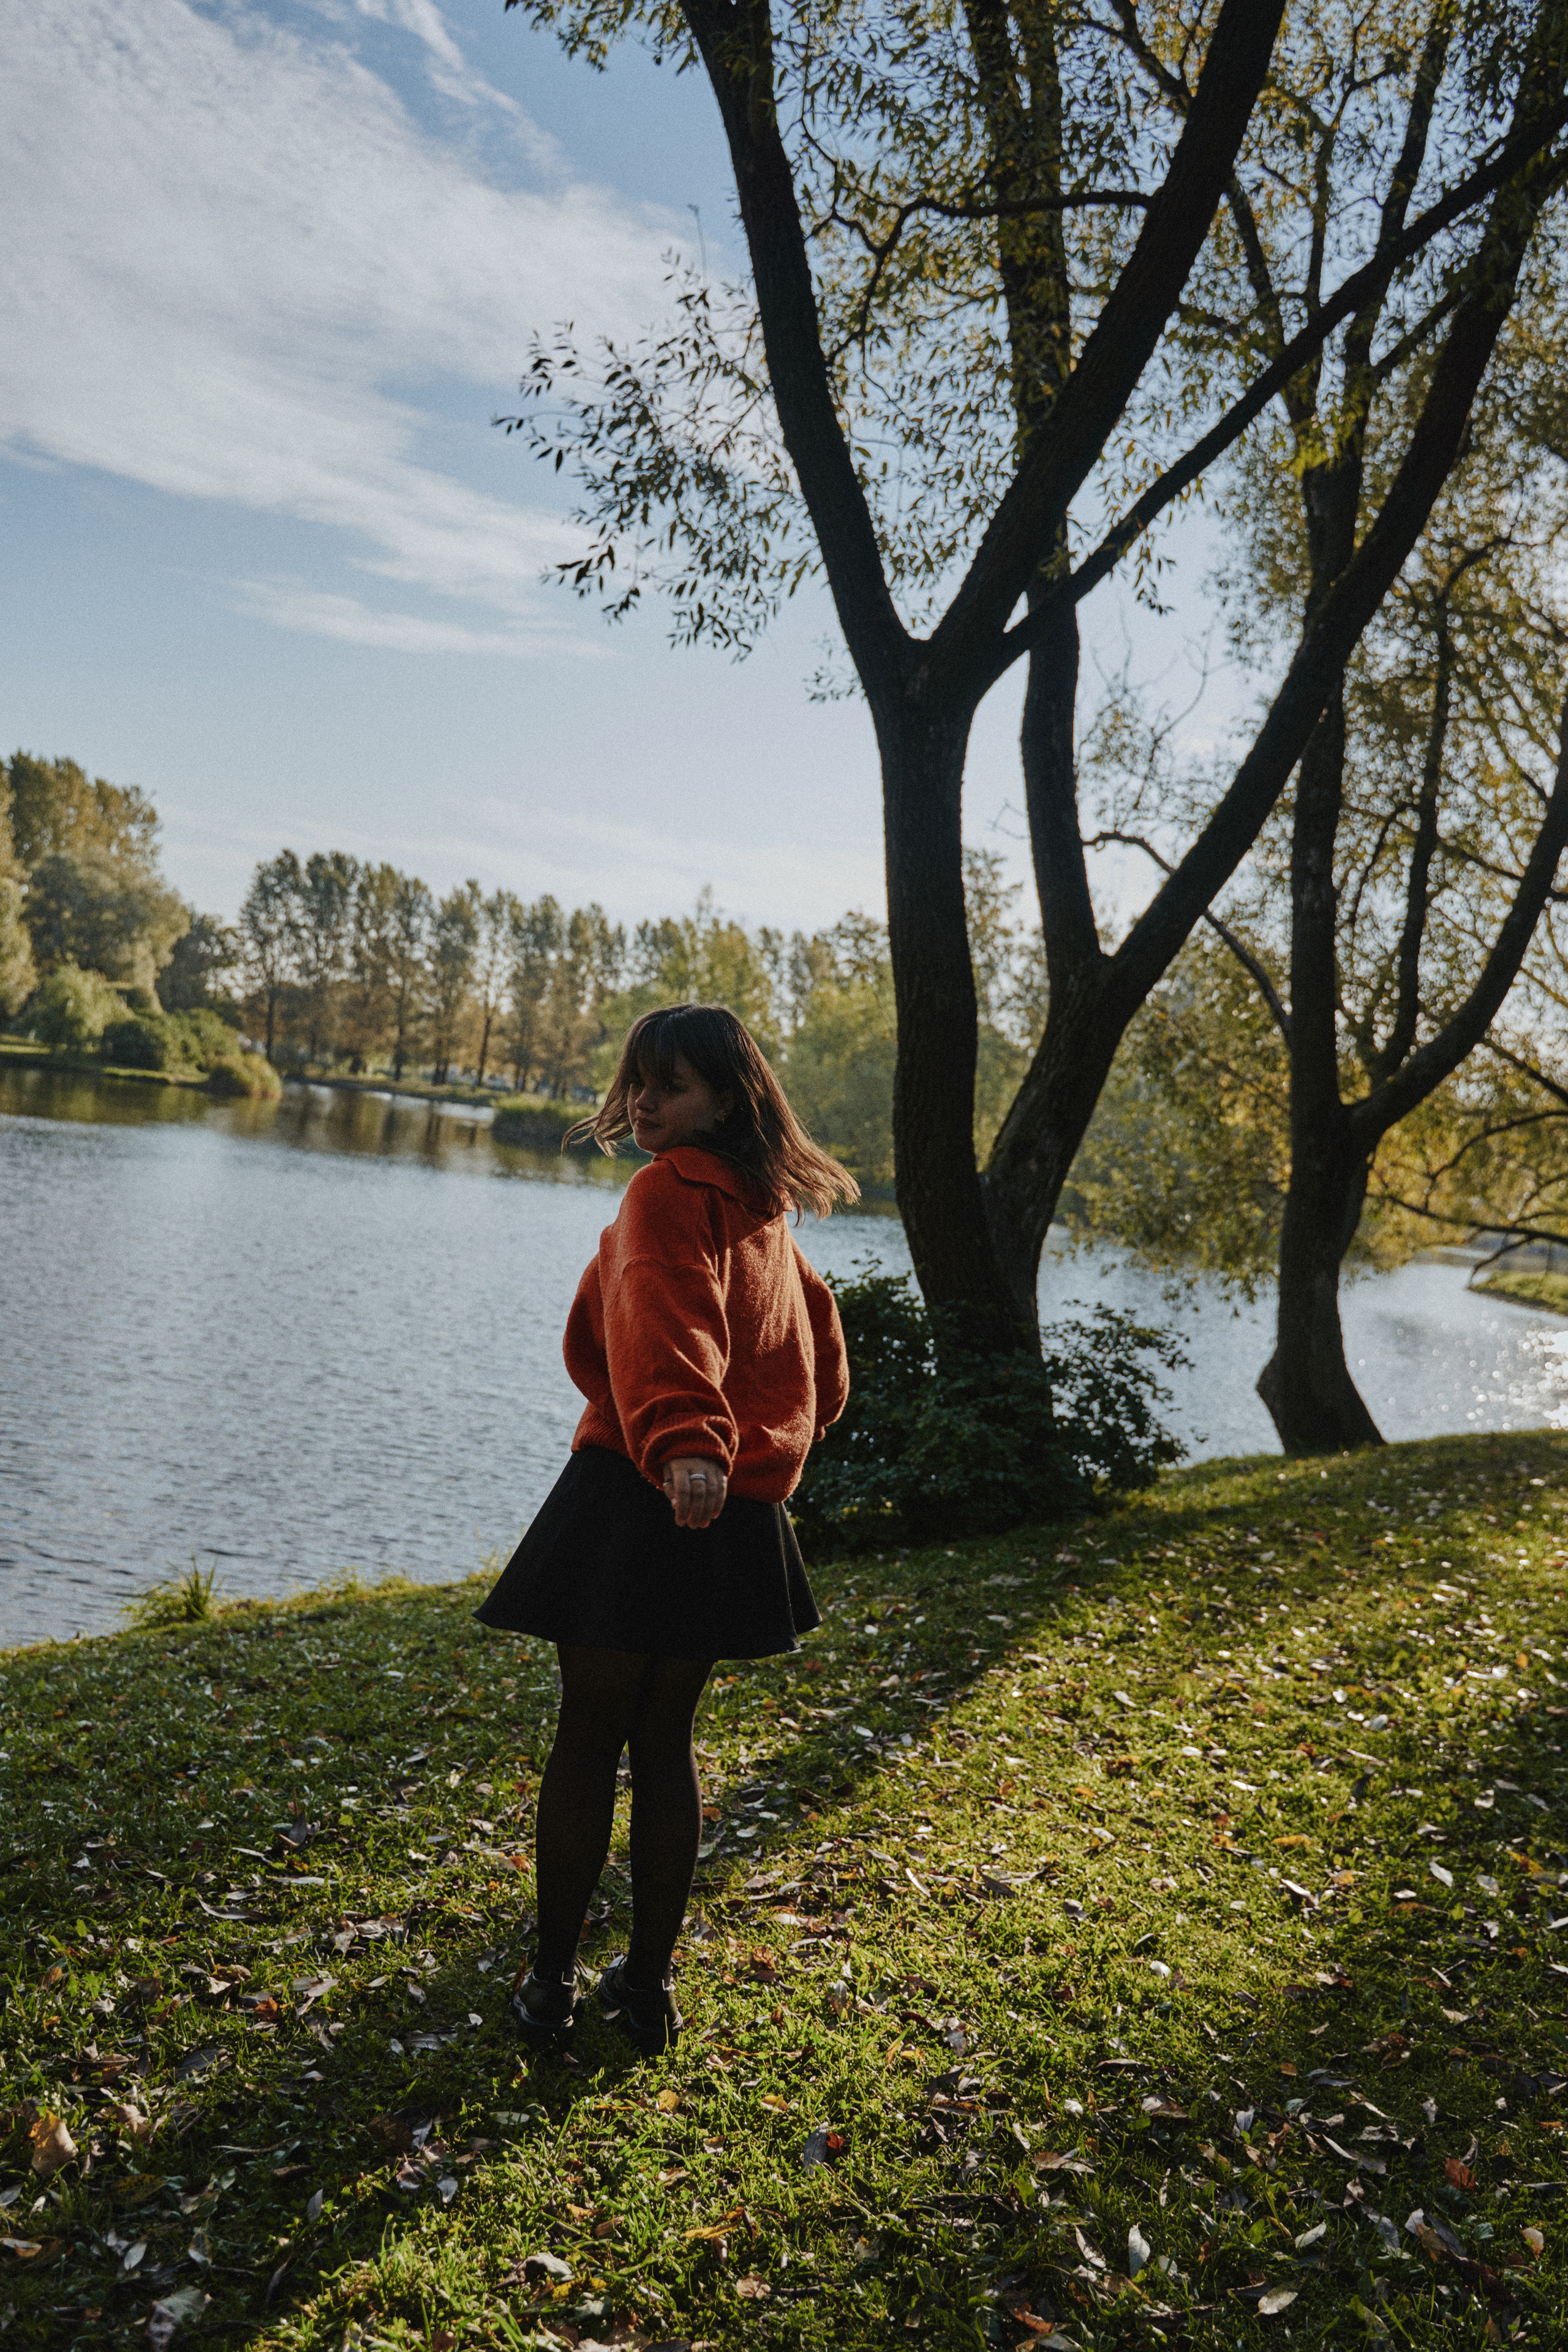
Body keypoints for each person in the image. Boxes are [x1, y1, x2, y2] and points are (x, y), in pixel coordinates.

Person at [476, 1001, 856, 2056]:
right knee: (666, 1741)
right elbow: (818, 1341)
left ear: (727, 1098)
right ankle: (646, 1989)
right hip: (725, 1511)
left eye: (670, 1086)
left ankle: (553, 1984)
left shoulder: (667, 1192)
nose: (644, 1103)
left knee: (592, 1736)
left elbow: (662, 1308)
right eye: (638, 1082)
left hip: (643, 1491)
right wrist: (790, 1427)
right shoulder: (764, 1209)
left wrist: (691, 1436)